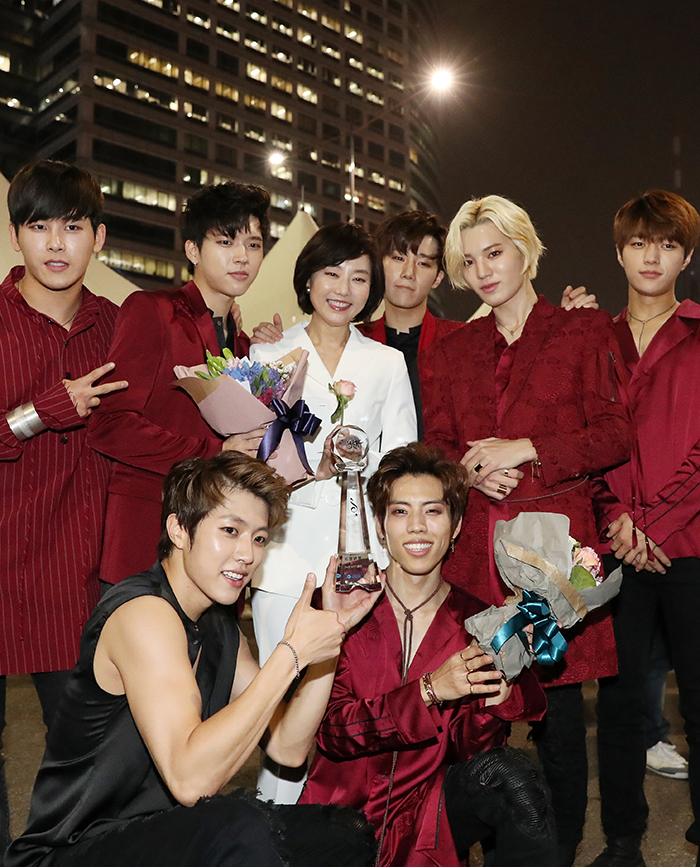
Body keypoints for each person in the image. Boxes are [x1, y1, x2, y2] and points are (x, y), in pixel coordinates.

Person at [6, 451, 380, 867]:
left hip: (159, 835)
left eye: (258, 538)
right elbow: (190, 780)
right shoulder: (143, 613)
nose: (247, 554)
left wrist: (330, 633)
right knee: (239, 826)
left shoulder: (217, 625)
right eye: (230, 530)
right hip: (74, 851)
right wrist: (290, 655)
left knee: (342, 834)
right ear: (179, 530)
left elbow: (288, 747)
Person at [423, 194, 631, 867]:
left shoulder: (585, 329)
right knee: (478, 719)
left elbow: (613, 433)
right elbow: (437, 443)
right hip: (476, 557)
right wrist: (468, 472)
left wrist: (525, 446)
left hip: (555, 559)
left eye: (495, 251)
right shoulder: (453, 347)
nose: (484, 269)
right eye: (470, 259)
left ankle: (560, 850)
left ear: (525, 248)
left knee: (562, 723)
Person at [301, 442, 556, 867]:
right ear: (380, 527)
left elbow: (474, 760)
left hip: (428, 820)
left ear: (455, 526)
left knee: (514, 775)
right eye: (400, 512)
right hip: (338, 817)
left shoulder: (478, 622)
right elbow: (331, 732)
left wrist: (492, 698)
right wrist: (429, 691)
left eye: (433, 511)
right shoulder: (339, 605)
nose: (417, 527)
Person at [249, 222, 416, 801]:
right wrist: (306, 468)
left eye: (359, 277)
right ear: (307, 279)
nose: (343, 288)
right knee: (282, 697)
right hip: (285, 554)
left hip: (359, 558)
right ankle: (273, 825)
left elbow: (400, 467)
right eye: (331, 272)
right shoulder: (269, 354)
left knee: (355, 698)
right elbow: (252, 462)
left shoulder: (387, 363)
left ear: (372, 290)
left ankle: (347, 824)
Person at [0, 160, 127, 863]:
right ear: (16, 235)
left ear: (98, 237)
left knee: (85, 752)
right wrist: (45, 410)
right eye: (39, 225)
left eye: (72, 227)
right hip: (2, 560)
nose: (56, 243)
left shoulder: (119, 326)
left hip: (77, 581)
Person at [252, 210, 596, 439]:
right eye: (397, 258)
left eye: (423, 263)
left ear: (438, 277)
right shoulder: (355, 342)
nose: (407, 273)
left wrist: (562, 324)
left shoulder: (463, 343)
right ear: (378, 266)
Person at [591, 190, 700, 867]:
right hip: (617, 546)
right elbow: (586, 442)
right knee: (625, 701)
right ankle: (624, 837)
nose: (650, 255)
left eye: (665, 243)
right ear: (621, 252)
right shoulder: (592, 339)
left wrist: (652, 522)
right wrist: (616, 520)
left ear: (686, 256)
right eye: (638, 242)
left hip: (688, 544)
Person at [88, 182, 271, 586]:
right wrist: (213, 451)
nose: (242, 256)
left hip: (216, 554)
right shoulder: (152, 311)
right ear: (192, 250)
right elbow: (110, 425)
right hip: (146, 539)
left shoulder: (243, 346)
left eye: (254, 245)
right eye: (226, 241)